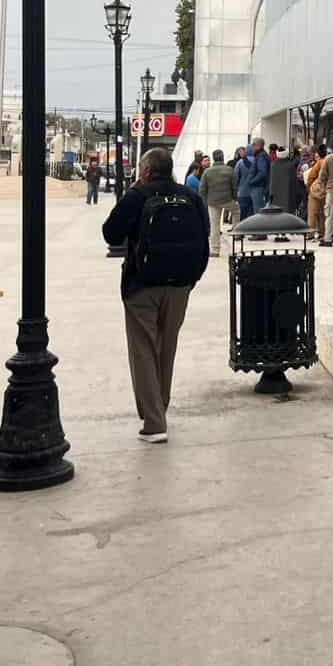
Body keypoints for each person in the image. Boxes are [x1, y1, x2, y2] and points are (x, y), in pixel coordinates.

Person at [100, 148, 209, 444]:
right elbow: (204, 238)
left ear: (146, 171)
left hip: (142, 284)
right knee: (166, 347)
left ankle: (154, 422)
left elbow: (111, 233)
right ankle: (160, 405)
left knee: (143, 350)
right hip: (180, 285)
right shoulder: (190, 197)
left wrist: (133, 194)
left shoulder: (138, 195)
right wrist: (192, 278)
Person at [199, 149, 237, 256]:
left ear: (213, 158)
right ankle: (237, 233)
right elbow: (234, 186)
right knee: (236, 212)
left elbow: (202, 189)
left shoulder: (207, 172)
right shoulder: (230, 170)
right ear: (223, 157)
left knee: (214, 226)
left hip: (213, 201)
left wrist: (206, 198)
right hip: (227, 200)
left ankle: (215, 250)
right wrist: (235, 198)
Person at [306, 146, 327, 238]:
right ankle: (323, 232)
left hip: (316, 191)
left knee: (312, 213)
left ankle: (310, 233)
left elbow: (311, 176)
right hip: (326, 190)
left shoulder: (319, 163)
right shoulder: (328, 161)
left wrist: (309, 188)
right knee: (323, 214)